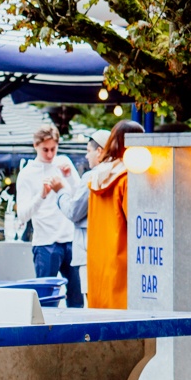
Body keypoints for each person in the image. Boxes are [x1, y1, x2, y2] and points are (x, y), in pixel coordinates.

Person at [16, 124, 86, 308]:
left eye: (53, 149)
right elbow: (22, 215)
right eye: (45, 149)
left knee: (77, 299)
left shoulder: (64, 163)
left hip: (70, 238)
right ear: (35, 146)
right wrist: (42, 195)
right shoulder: (26, 174)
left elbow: (81, 198)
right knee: (46, 302)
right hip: (45, 243)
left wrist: (69, 176)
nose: (49, 154)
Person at [85, 119, 144, 308]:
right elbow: (137, 225)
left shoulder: (96, 177)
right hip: (123, 266)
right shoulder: (127, 179)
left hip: (98, 265)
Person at [59, 128, 108, 299]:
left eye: (89, 151)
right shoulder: (120, 174)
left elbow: (74, 211)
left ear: (100, 151)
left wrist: (60, 194)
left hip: (88, 250)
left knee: (92, 302)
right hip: (110, 251)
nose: (86, 156)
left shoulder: (92, 177)